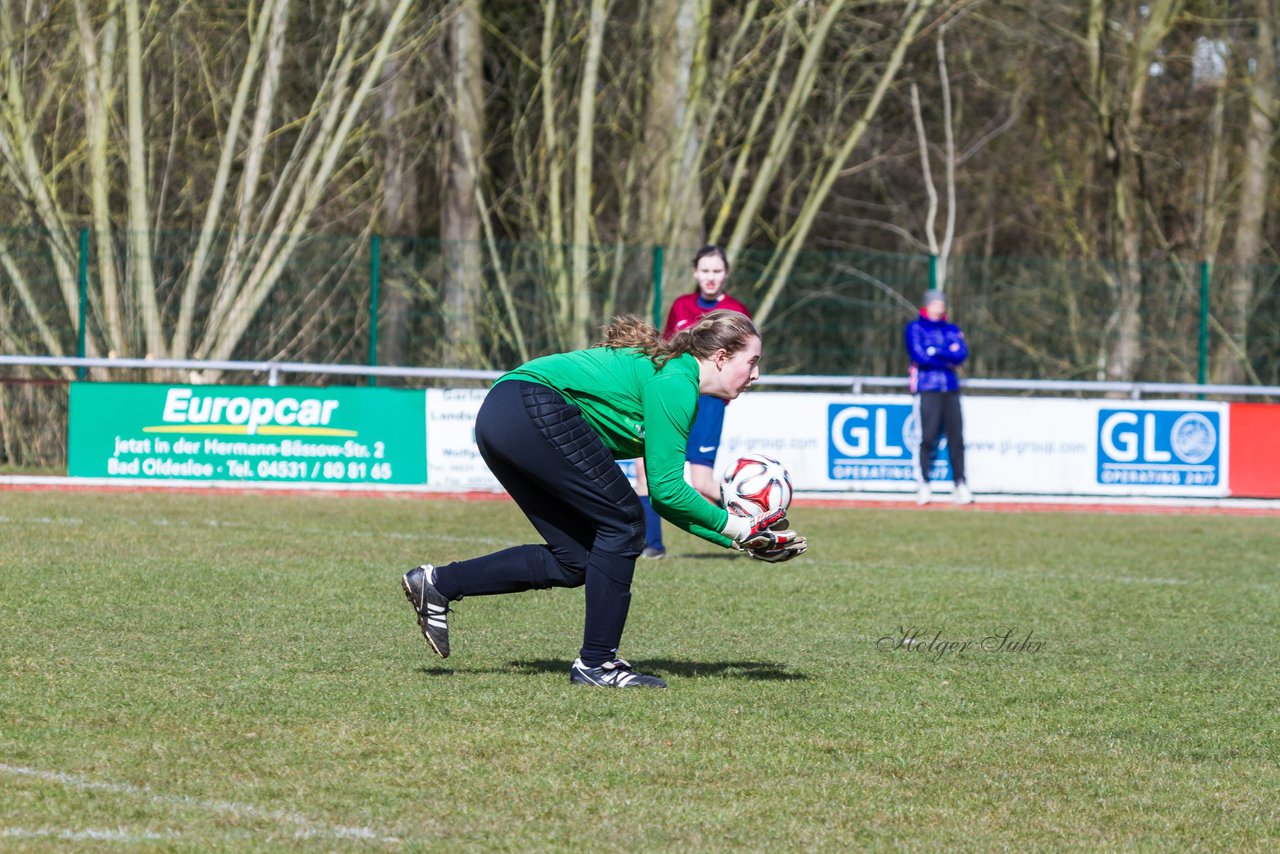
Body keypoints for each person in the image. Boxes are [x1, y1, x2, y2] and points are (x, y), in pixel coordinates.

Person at [401, 311, 807, 689]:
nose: (755, 375)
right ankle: (597, 665)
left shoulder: (675, 377)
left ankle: (437, 583)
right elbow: (667, 490)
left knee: (576, 557)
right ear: (720, 357)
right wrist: (741, 527)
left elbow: (665, 501)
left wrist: (740, 539)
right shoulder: (676, 383)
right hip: (529, 405)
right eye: (752, 362)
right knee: (625, 523)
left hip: (502, 415)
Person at [637, 245, 752, 559]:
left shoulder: (735, 310)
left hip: (709, 402)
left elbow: (742, 360)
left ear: (725, 273)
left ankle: (758, 526)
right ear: (695, 273)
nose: (710, 277)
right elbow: (669, 348)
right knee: (644, 468)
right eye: (705, 270)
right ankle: (652, 545)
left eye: (716, 271)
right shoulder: (681, 305)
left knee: (701, 482)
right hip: (675, 395)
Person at [904, 288, 972, 505]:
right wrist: (946, 353)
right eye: (936, 304)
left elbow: (960, 354)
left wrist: (936, 351)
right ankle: (923, 484)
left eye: (941, 304)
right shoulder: (915, 328)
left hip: (950, 389)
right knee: (928, 437)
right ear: (927, 305)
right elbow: (920, 356)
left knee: (956, 438)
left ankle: (960, 483)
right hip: (928, 388)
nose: (939, 307)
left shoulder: (951, 329)